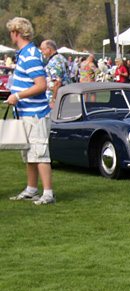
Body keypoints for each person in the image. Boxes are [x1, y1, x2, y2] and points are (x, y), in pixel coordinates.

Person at [6, 17, 54, 205]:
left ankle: (48, 193)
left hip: (36, 113)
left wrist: (17, 96)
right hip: (27, 113)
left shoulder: (30, 55)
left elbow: (41, 85)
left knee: (40, 152)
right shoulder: (25, 53)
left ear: (16, 33)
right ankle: (32, 189)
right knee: (29, 153)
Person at [39, 40, 67, 108]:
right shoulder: (59, 58)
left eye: (42, 49)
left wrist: (54, 100)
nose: (42, 52)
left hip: (55, 99)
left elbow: (57, 83)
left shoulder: (56, 61)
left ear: (49, 49)